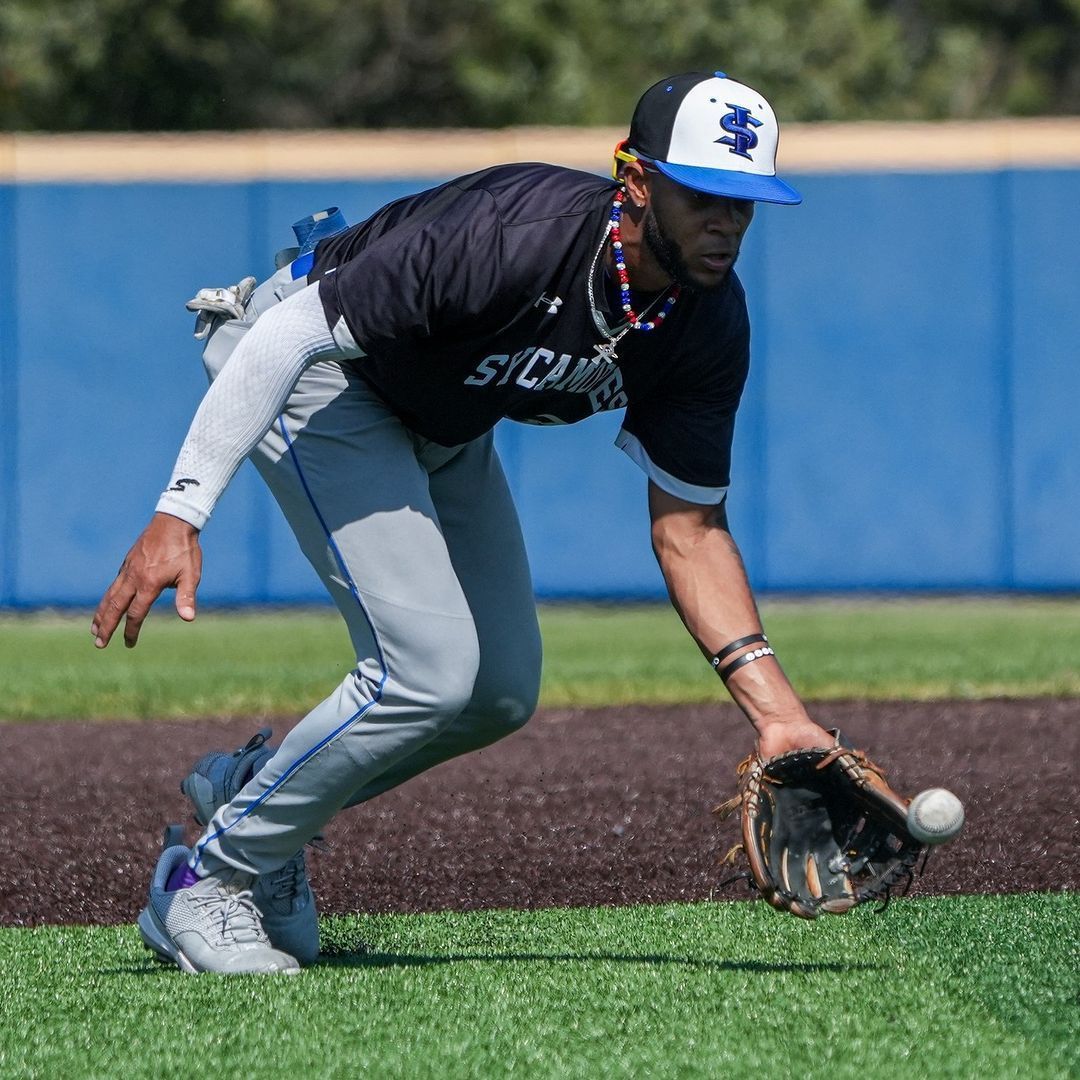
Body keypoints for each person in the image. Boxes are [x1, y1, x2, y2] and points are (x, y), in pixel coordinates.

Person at [92, 71, 835, 975]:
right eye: (704, 196)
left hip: (439, 418)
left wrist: (780, 717)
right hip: (319, 374)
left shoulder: (704, 318)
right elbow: (285, 339)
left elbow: (690, 531)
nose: (727, 223)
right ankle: (207, 880)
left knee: (498, 692)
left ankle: (257, 795)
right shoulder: (517, 236)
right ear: (637, 181)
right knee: (429, 671)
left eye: (745, 202)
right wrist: (181, 510)